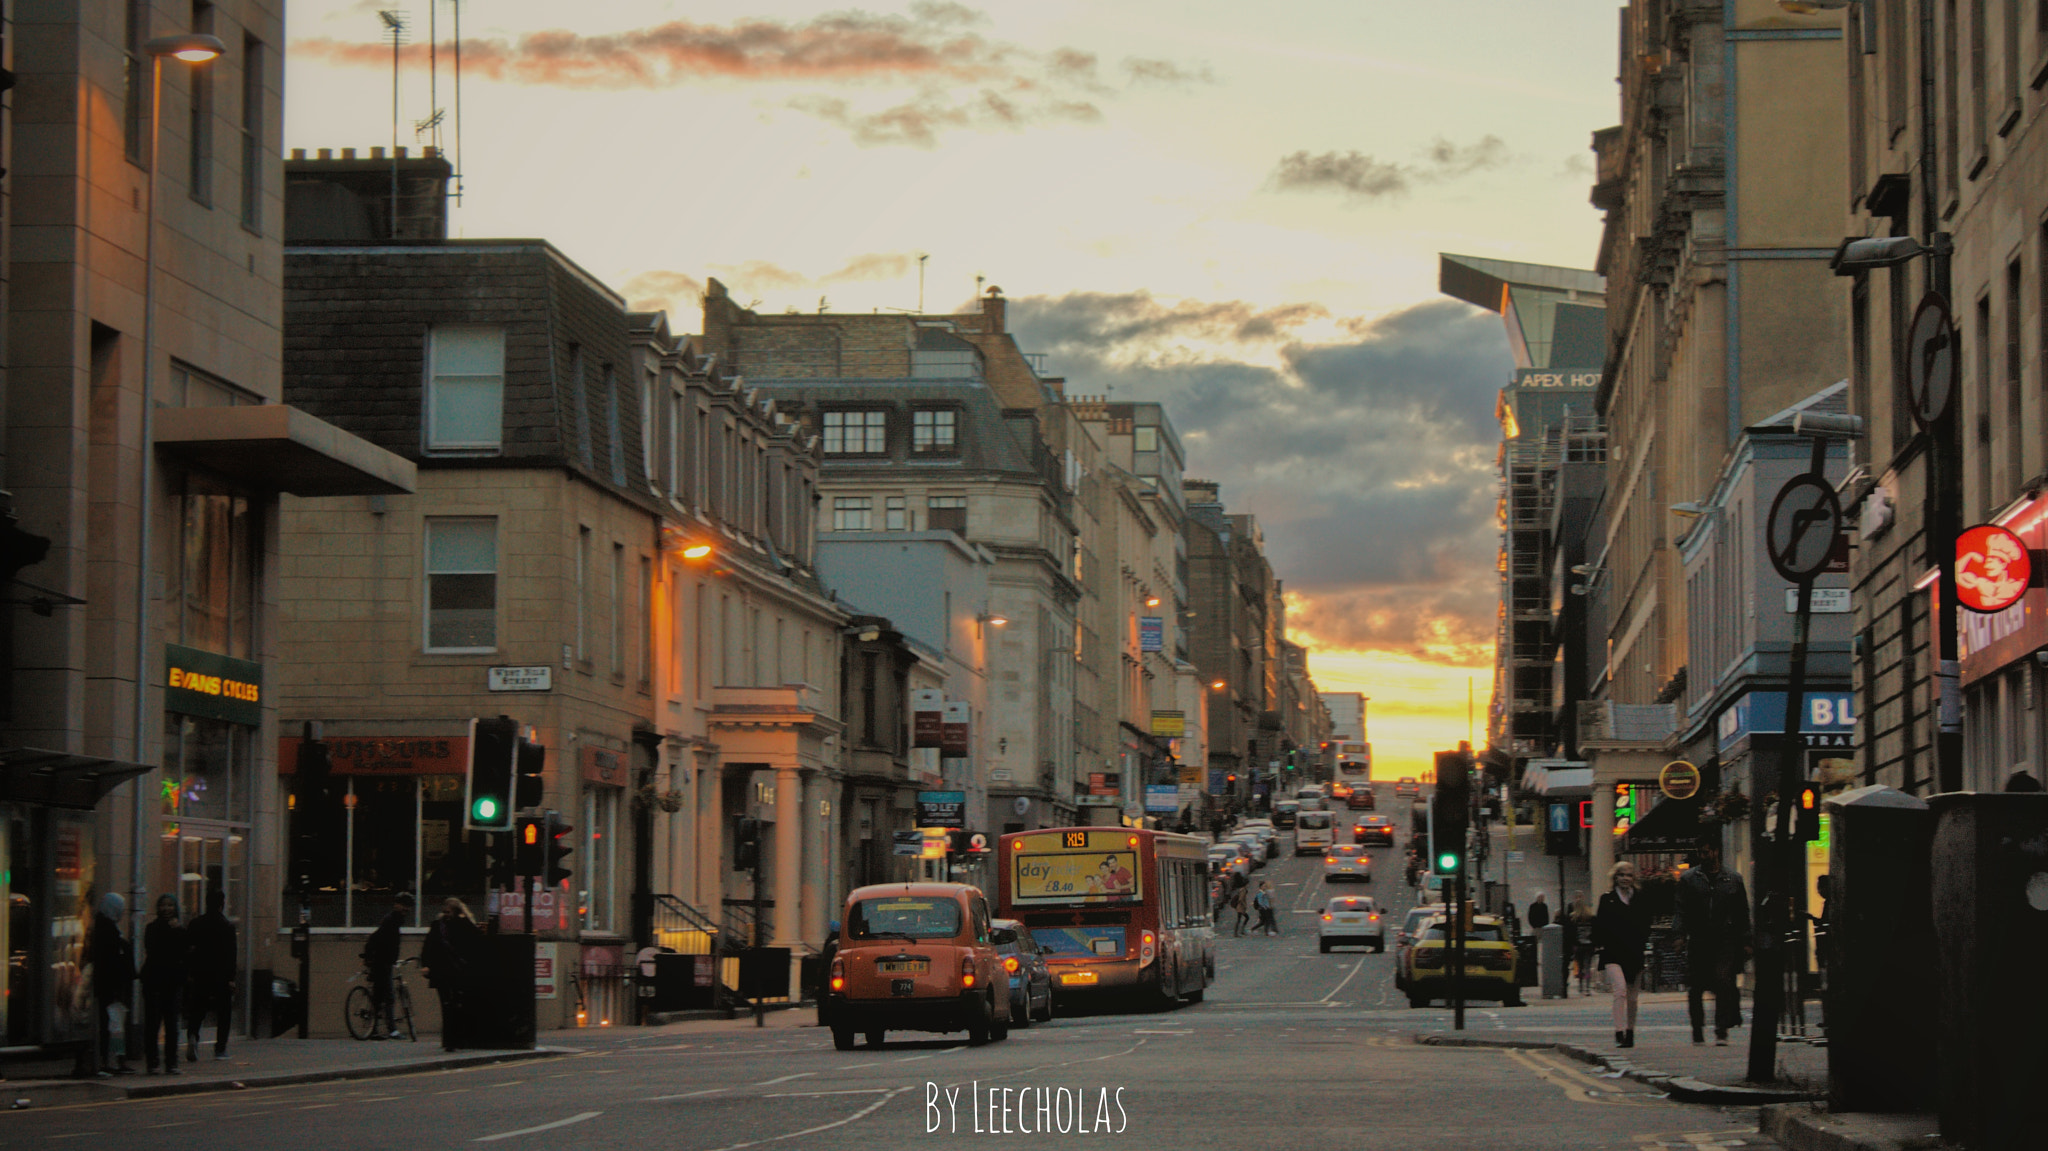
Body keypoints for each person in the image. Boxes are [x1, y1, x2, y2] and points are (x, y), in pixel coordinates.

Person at [1673, 841, 1750, 1046]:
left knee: (1723, 981)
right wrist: (1679, 935)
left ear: (1716, 852)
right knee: (1696, 987)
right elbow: (1681, 909)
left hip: (1725, 940)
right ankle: (1697, 1029)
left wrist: (1746, 940)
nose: (1702, 856)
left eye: (1706, 851)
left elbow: (1742, 912)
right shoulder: (1689, 879)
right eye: (1700, 852)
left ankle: (1721, 1030)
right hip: (1699, 939)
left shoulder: (1733, 879)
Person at [1592, 861, 1651, 1049]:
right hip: (1612, 952)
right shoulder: (1606, 899)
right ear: (1615, 877)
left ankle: (1630, 1032)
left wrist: (1643, 942)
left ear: (1634, 878)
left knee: (1633, 997)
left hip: (1634, 952)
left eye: (1629, 875)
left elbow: (1645, 923)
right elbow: (1599, 924)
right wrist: (1598, 944)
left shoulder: (1640, 899)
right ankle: (1619, 1030)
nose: (1625, 878)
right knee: (1620, 990)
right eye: (1622, 875)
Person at [420, 898, 482, 1051]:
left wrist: (465, 919)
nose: (446, 914)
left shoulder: (463, 925)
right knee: (447, 1005)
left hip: (457, 971)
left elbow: (476, 938)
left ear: (456, 912)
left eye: (449, 912)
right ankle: (450, 1041)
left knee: (456, 1006)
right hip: (442, 972)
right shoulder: (437, 926)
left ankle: (456, 1039)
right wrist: (425, 965)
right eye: (445, 911)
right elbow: (428, 945)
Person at [184, 887, 236, 1062]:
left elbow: (188, 950)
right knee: (224, 1012)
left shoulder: (195, 924)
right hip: (221, 976)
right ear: (222, 904)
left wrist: (190, 972)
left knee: (197, 1009)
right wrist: (231, 978)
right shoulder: (227, 927)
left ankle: (193, 1036)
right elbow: (231, 955)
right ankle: (220, 1048)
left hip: (200, 974)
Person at [139, 895, 188, 1074]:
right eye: (163, 905)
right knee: (153, 1023)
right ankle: (152, 1062)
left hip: (173, 982)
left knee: (172, 1024)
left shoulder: (180, 930)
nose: (167, 909)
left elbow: (185, 949)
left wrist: (178, 930)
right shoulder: (152, 928)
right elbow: (152, 949)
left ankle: (172, 1062)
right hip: (154, 981)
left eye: (170, 905)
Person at [91, 892, 134, 1076]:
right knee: (114, 1026)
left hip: (108, 985)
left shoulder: (105, 927)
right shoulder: (108, 930)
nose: (122, 912)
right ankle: (113, 1060)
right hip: (111, 986)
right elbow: (111, 960)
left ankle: (115, 1059)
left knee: (114, 1025)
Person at [363, 892, 413, 1039]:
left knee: (379, 996)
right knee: (389, 996)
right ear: (396, 905)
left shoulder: (394, 921)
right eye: (404, 905)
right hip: (382, 963)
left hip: (384, 962)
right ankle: (392, 1030)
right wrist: (373, 956)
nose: (406, 909)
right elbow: (379, 940)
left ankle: (373, 1030)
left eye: (408, 906)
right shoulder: (391, 921)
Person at [1565, 893, 1597, 996]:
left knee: (1579, 966)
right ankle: (1587, 988)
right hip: (1589, 945)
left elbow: (1570, 933)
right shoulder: (1591, 917)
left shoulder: (1573, 918)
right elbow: (1595, 931)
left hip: (1578, 945)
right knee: (1587, 966)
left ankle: (1580, 987)